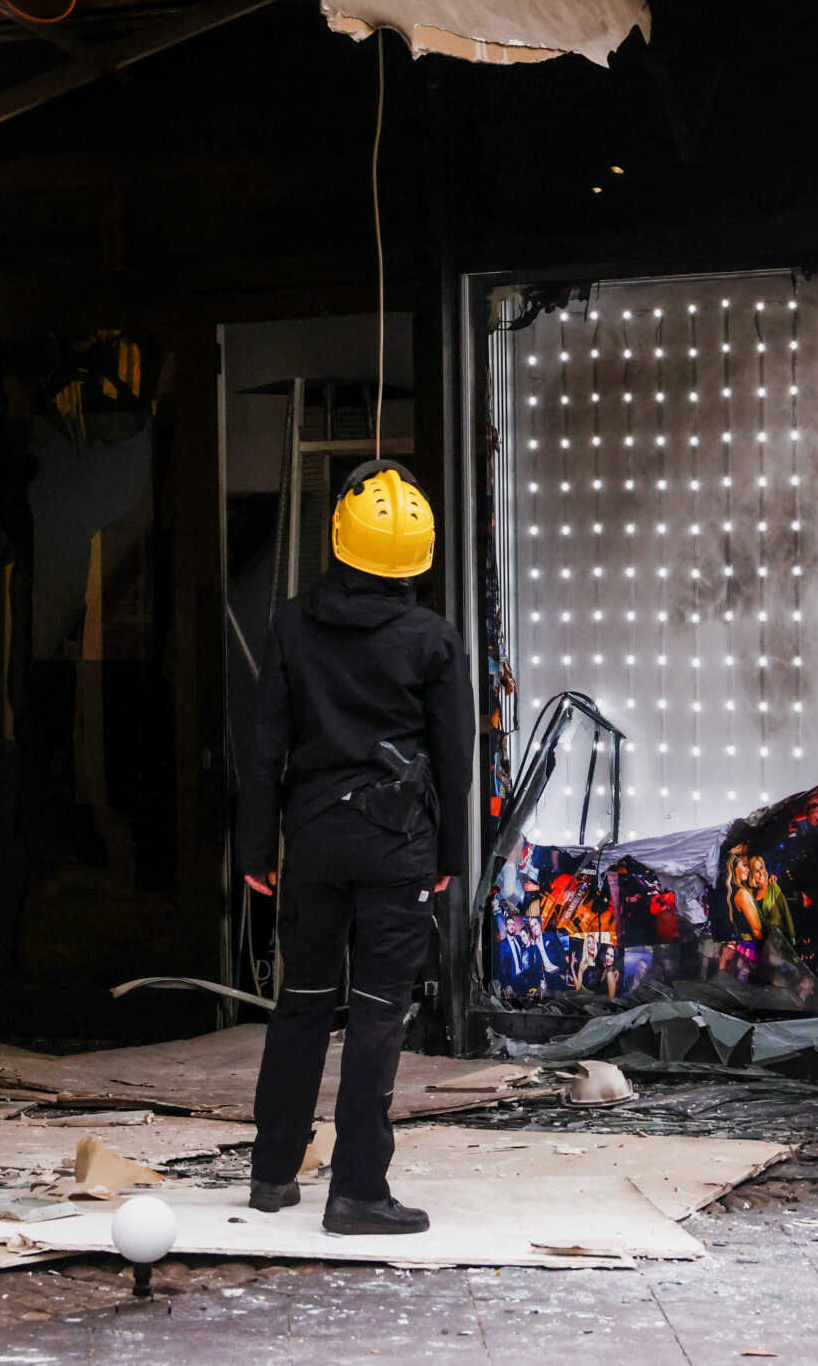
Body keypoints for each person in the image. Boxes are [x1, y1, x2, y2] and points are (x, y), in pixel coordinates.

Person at [239, 461, 471, 1236]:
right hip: (397, 843)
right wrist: (448, 856)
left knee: (301, 1001)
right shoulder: (434, 639)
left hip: (311, 840)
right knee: (377, 1013)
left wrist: (253, 847)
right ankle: (359, 1190)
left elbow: (264, 743)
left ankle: (273, 1172)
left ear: (341, 538)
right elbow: (455, 755)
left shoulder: (293, 623)